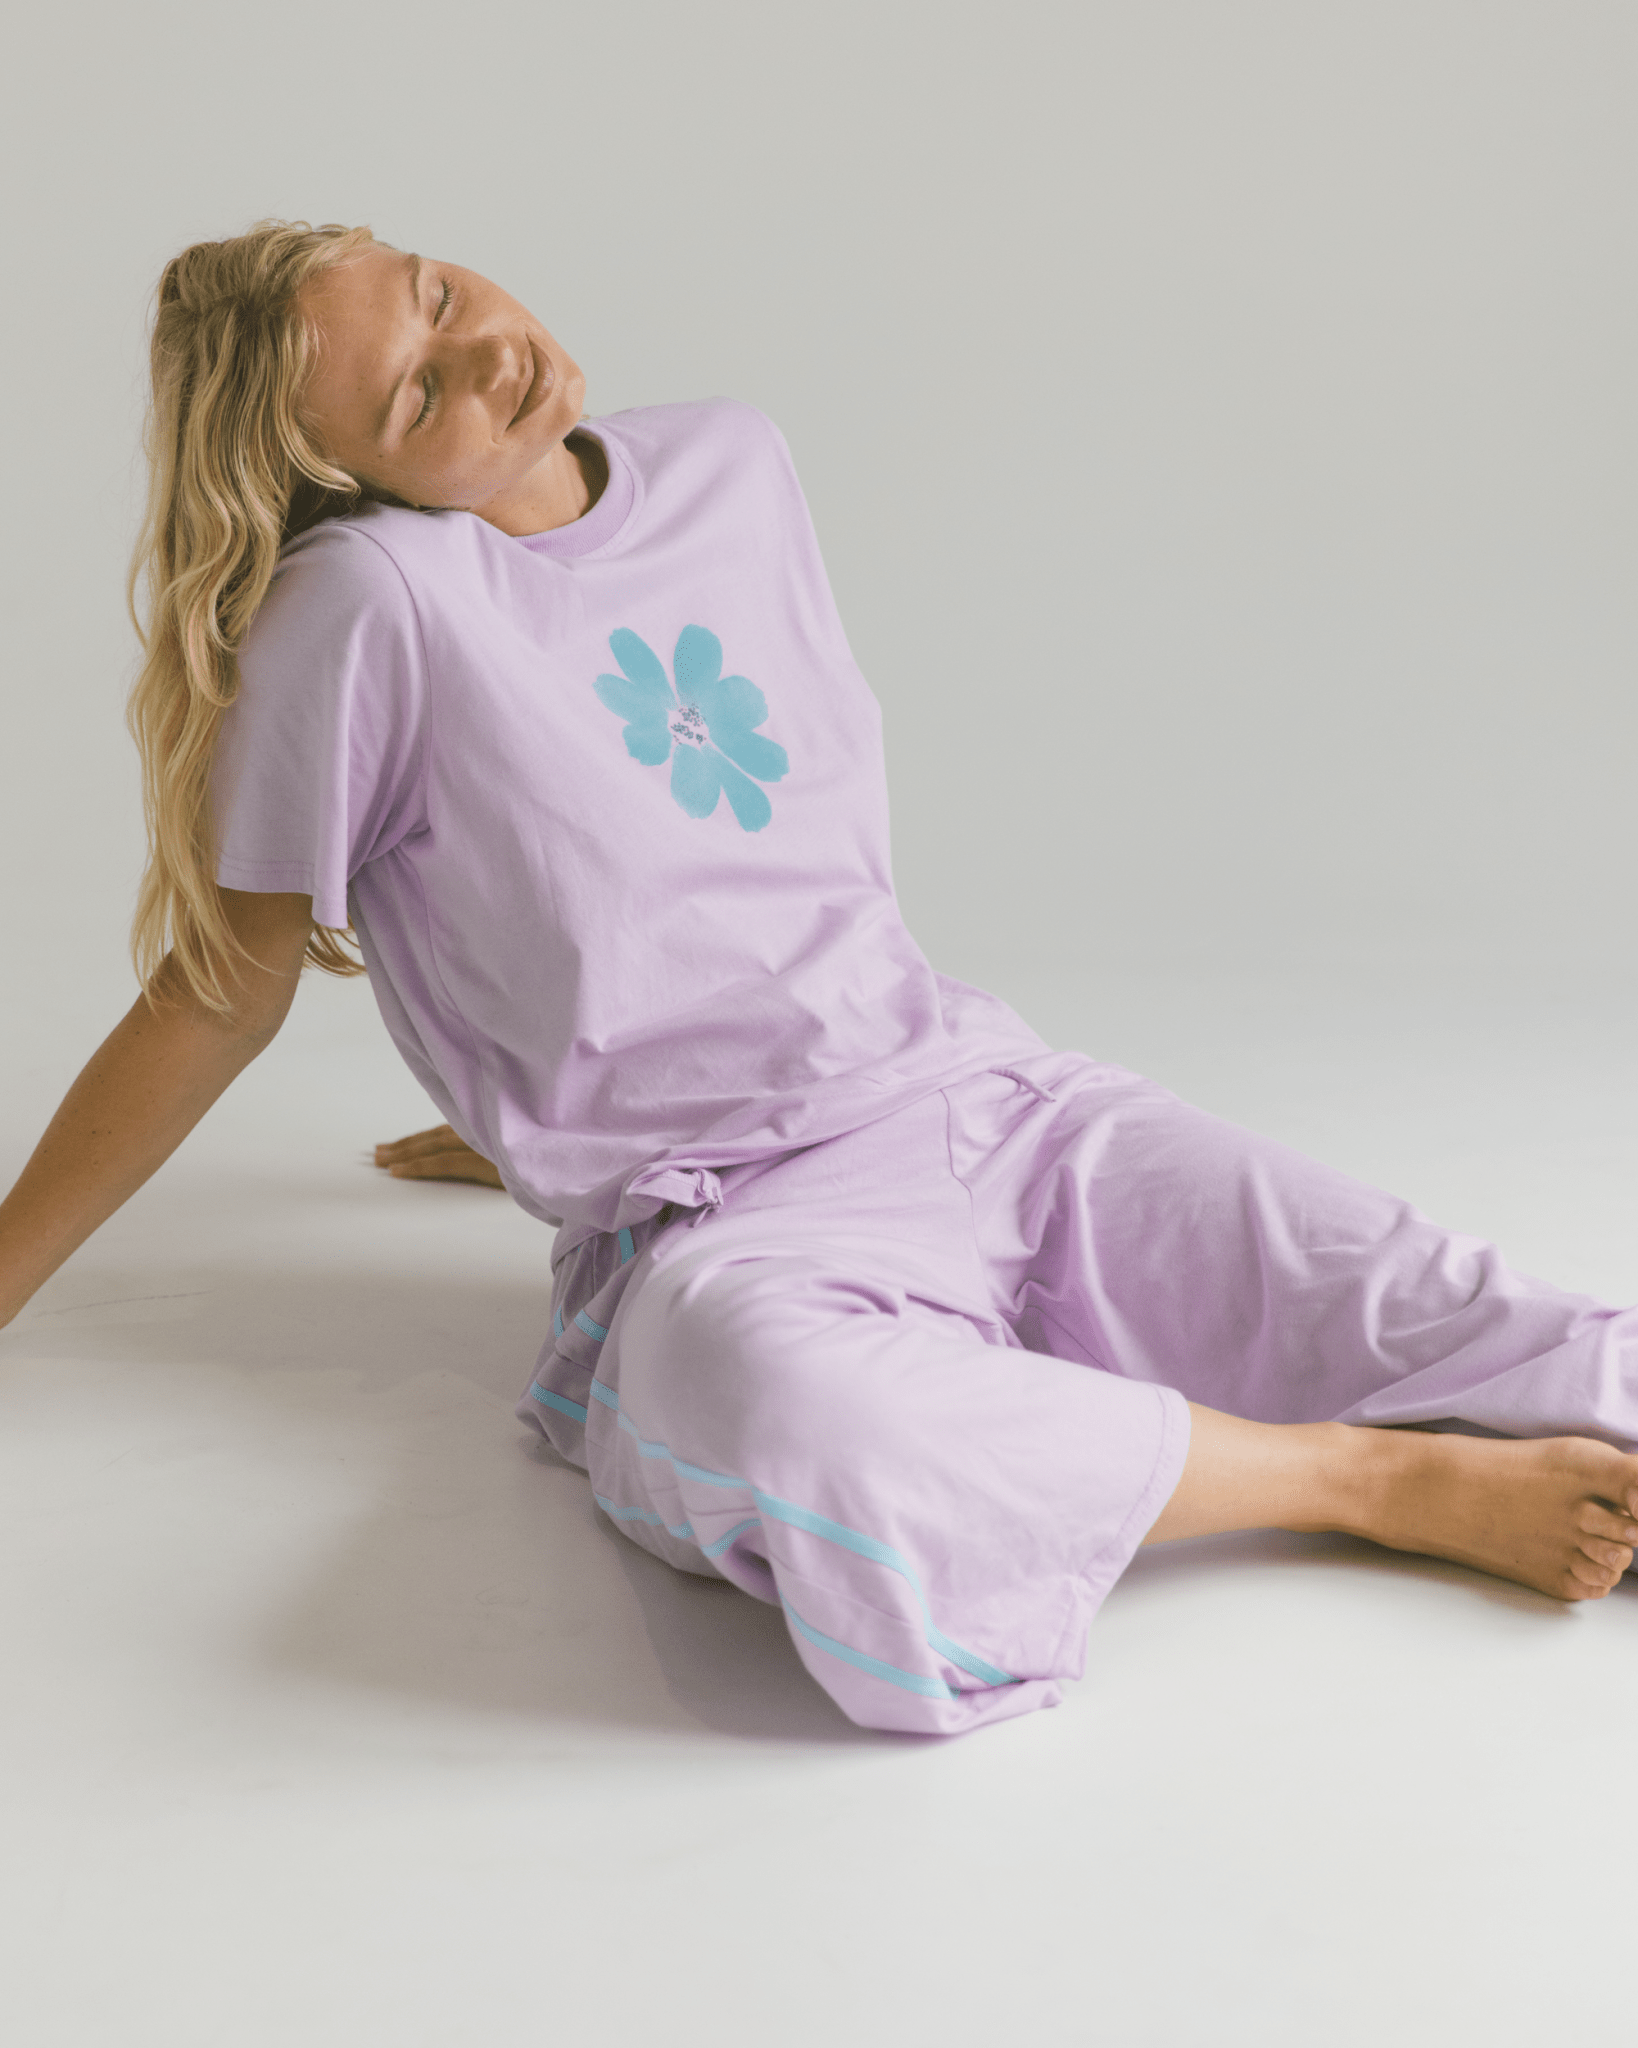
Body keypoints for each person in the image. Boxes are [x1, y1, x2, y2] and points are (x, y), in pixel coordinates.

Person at [2, 219, 1635, 1738]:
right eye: (417, 394)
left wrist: (534, 1103)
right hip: (735, 1218)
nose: (487, 350)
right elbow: (219, 993)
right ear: (342, 477)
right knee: (804, 1425)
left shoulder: (731, 461)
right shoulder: (368, 603)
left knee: (1463, 1304)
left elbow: (707, 869)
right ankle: (1362, 1483)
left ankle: (1201, 1435)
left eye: (437, 294)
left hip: (983, 1097)